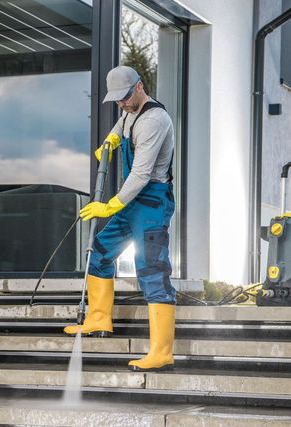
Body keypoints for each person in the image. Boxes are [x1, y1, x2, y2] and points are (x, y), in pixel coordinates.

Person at [63, 65, 176, 372]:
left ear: (139, 87)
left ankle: (161, 352)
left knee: (152, 270)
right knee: (100, 251)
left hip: (151, 202)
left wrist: (109, 206)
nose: (122, 105)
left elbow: (140, 174)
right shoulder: (128, 111)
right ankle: (99, 318)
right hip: (132, 202)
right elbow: (120, 126)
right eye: (117, 101)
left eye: (125, 98)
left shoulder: (154, 119)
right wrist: (110, 140)